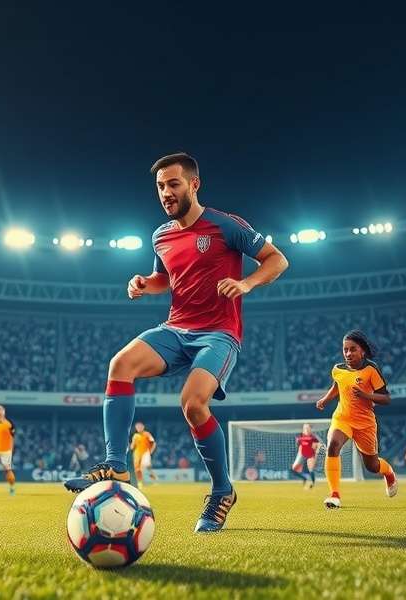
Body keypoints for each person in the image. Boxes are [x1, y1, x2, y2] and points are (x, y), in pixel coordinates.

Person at [64, 152, 289, 533]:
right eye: (160, 187)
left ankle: (222, 491)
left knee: (192, 403)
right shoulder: (161, 235)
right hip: (176, 329)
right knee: (120, 364)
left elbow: (277, 259)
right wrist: (143, 284)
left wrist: (246, 283)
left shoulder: (226, 225)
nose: (166, 193)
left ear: (193, 184)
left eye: (173, 184)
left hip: (218, 333)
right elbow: (164, 279)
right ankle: (117, 463)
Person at [316, 330, 398, 509]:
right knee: (332, 446)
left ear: (362, 351)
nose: (348, 353)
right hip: (342, 418)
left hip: (365, 423)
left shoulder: (371, 370)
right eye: (345, 350)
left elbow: (386, 398)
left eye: (353, 349)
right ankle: (334, 495)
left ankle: (389, 473)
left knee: (372, 466)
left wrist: (366, 395)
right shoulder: (338, 369)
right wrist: (326, 399)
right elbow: (338, 385)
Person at [290, 423, 320, 489]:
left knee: (311, 470)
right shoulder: (300, 436)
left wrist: (315, 456)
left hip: (310, 455)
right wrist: (299, 455)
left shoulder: (313, 438)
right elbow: (299, 446)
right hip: (302, 454)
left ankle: (312, 484)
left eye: (307, 428)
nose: (306, 429)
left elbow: (317, 446)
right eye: (305, 428)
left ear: (310, 429)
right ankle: (304, 478)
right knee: (292, 469)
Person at [130, 422, 157, 489]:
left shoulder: (147, 434)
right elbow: (132, 446)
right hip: (136, 454)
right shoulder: (135, 436)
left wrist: (151, 451)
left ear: (143, 427)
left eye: (140, 427)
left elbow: (153, 443)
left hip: (145, 453)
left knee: (147, 467)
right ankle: (140, 483)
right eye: (137, 427)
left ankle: (154, 480)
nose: (139, 428)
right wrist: (129, 446)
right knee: (137, 469)